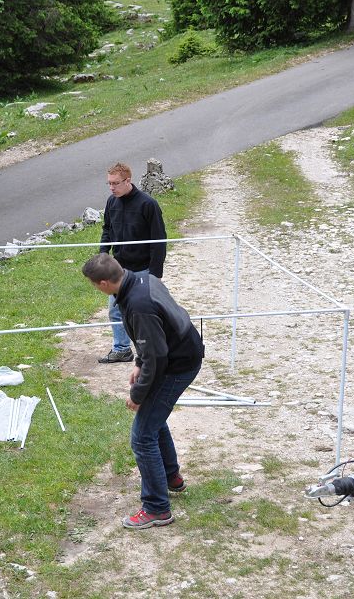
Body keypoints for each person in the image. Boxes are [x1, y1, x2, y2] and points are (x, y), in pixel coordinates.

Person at [82, 253, 204, 529]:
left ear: (103, 283)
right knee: (153, 420)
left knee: (142, 436)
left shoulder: (138, 304)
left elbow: (158, 357)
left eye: (94, 285)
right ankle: (171, 477)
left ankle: (157, 508)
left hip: (178, 364)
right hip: (177, 354)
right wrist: (139, 362)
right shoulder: (141, 279)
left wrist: (137, 395)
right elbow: (152, 338)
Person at [98, 162, 167, 364]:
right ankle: (121, 349)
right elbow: (107, 229)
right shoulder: (111, 202)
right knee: (115, 310)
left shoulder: (148, 204)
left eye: (115, 183)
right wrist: (103, 255)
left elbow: (159, 240)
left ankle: (151, 350)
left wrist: (155, 273)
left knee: (144, 312)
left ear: (128, 180)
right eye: (109, 183)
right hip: (118, 270)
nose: (111, 188)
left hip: (143, 268)